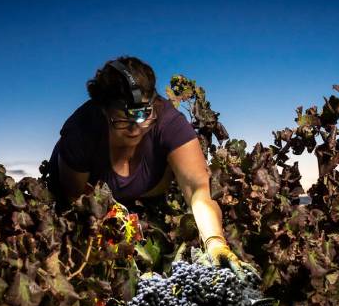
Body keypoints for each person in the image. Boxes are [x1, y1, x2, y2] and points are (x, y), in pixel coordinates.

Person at [47, 56, 257, 281]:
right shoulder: (81, 133)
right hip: (87, 207)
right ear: (103, 110)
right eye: (122, 119)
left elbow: (198, 188)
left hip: (141, 204)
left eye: (142, 115)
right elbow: (77, 205)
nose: (136, 128)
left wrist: (214, 241)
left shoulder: (167, 122)